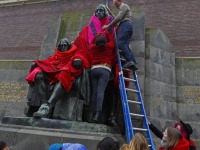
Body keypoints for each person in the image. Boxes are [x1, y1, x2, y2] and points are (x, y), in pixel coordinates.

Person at [26, 38, 90, 118]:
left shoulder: (74, 53)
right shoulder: (56, 55)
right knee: (37, 73)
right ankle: (44, 104)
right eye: (61, 46)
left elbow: (80, 57)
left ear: (69, 46)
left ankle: (49, 105)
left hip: (65, 72)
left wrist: (78, 60)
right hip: (54, 72)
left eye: (65, 45)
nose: (63, 47)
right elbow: (48, 62)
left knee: (64, 74)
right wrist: (36, 63)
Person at [89, 29, 117, 123]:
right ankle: (98, 113)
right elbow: (112, 41)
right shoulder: (109, 47)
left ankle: (92, 113)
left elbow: (91, 42)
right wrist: (107, 32)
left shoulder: (93, 48)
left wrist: (97, 35)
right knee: (100, 92)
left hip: (94, 70)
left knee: (94, 92)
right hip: (104, 70)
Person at [102, 0, 138, 70]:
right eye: (114, 4)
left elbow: (119, 18)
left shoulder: (124, 6)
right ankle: (134, 63)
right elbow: (118, 18)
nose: (116, 6)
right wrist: (110, 11)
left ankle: (130, 60)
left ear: (120, 1)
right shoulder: (122, 9)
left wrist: (108, 25)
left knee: (120, 42)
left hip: (125, 25)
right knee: (126, 45)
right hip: (126, 26)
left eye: (116, 3)